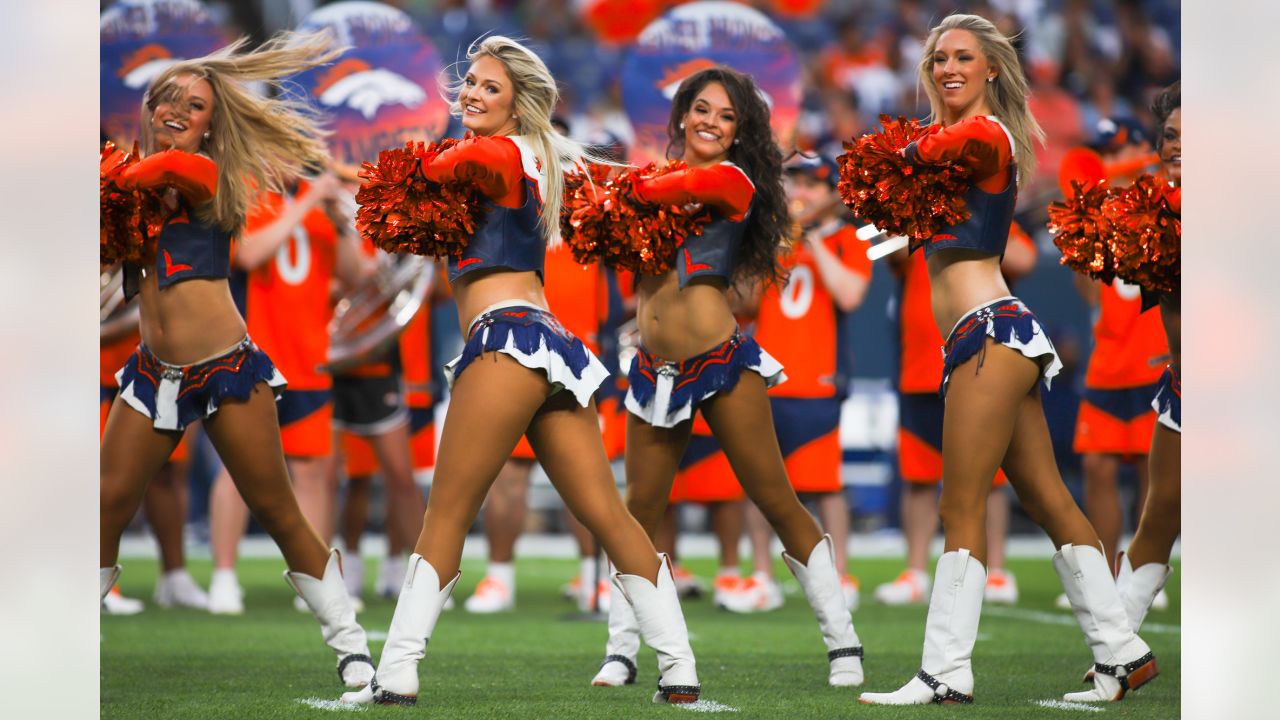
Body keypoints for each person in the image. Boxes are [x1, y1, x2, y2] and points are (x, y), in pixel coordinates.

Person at [341, 36, 700, 707]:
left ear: (519, 105)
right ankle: (679, 668)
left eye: (489, 88)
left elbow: (475, 155)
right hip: (549, 344)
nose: (472, 94)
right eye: (470, 82)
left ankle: (394, 674)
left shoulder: (503, 151)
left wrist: (428, 164)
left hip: (507, 340)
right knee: (611, 517)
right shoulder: (530, 156)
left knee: (445, 516)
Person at [858, 15, 1156, 705]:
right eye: (937, 58)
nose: (947, 67)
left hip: (990, 332)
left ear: (993, 68)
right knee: (1049, 498)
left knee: (959, 505)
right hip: (992, 334)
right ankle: (1123, 652)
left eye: (963, 56)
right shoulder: (953, 143)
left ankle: (943, 671)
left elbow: (947, 144)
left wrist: (900, 154)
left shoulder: (984, 134)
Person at [99, 32, 375, 688]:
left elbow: (152, 176)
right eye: (165, 96)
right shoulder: (127, 179)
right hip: (151, 372)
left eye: (193, 105)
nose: (176, 109)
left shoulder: (203, 173)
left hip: (223, 368)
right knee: (105, 502)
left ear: (212, 123)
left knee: (277, 508)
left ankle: (351, 642)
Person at [591, 66, 865, 691]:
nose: (711, 122)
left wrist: (621, 187)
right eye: (702, 110)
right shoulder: (648, 182)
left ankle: (842, 640)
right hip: (652, 368)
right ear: (682, 115)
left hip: (719, 360)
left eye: (726, 116)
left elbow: (692, 187)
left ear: (740, 132)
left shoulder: (731, 179)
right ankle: (621, 650)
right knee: (635, 513)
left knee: (775, 498)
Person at [206, 171, 374, 615]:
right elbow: (247, 255)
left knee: (314, 473)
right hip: (253, 355)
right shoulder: (247, 196)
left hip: (309, 359)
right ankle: (223, 578)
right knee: (237, 471)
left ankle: (314, 584)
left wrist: (341, 224)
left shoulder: (316, 206)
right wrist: (305, 205)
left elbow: (354, 276)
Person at [725, 154, 873, 614]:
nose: (802, 191)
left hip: (819, 381)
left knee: (826, 487)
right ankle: (762, 575)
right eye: (796, 181)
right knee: (760, 483)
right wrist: (771, 241)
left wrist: (812, 238)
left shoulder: (847, 238)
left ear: (830, 195)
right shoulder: (772, 238)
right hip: (768, 378)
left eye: (814, 183)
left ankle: (840, 571)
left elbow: (849, 294)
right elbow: (742, 301)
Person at [875, 222, 1037, 607]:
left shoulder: (990, 213)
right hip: (919, 367)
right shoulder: (918, 215)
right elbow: (892, 252)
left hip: (977, 362)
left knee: (992, 476)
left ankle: (996, 570)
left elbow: (1023, 259)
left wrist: (971, 221)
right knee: (919, 477)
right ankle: (915, 571)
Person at [462, 245, 611, 614]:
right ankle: (499, 577)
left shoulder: (586, 209)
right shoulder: (516, 206)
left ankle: (594, 577)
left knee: (582, 478)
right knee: (508, 475)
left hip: (575, 351)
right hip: (515, 346)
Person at [1111, 81, 1180, 634]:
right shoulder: (1157, 209)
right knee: (1157, 517)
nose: (1176, 146)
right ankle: (1116, 658)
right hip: (1184, 389)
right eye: (1170, 136)